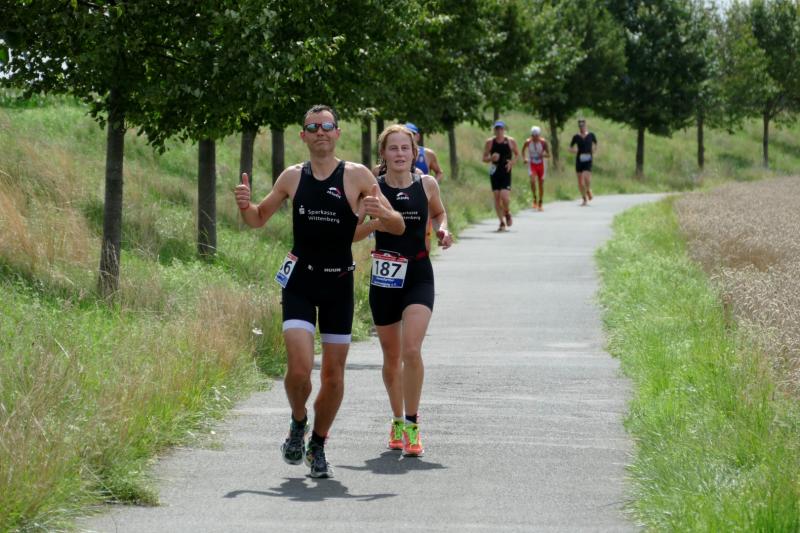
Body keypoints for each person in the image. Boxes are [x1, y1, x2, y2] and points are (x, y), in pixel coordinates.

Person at [234, 104, 404, 479]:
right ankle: (298, 421)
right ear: (304, 136)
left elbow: (398, 225)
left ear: (337, 133)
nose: (320, 132)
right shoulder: (293, 177)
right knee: (298, 370)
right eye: (313, 127)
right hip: (300, 282)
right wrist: (245, 205)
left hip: (338, 285)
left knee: (333, 376)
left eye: (327, 126)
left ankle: (318, 444)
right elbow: (257, 219)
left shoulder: (358, 176)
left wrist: (382, 214)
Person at [354, 124, 453, 457]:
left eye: (405, 148)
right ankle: (396, 419)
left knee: (411, 350)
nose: (399, 153)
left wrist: (443, 230)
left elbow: (439, 213)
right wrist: (376, 220)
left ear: (415, 153)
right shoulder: (373, 188)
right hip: (385, 278)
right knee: (391, 357)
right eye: (393, 148)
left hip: (419, 274)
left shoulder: (427, 184)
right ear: (383, 153)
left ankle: (412, 423)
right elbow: (352, 232)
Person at [482, 120, 519, 231]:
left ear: (504, 130)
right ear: (494, 130)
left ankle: (507, 212)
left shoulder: (510, 141)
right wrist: (491, 158)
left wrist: (512, 163)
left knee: (505, 197)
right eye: (497, 129)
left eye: (501, 129)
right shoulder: (490, 142)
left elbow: (517, 154)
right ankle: (501, 223)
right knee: (497, 197)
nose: (499, 131)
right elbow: (484, 158)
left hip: (506, 171)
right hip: (495, 172)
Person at [569, 118, 598, 206]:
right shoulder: (576, 136)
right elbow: (570, 147)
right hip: (579, 160)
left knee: (586, 178)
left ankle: (588, 190)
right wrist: (575, 151)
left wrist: (594, 150)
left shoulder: (591, 135)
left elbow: (596, 144)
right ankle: (584, 199)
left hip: (588, 159)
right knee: (580, 182)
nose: (581, 127)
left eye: (583, 125)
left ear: (585, 125)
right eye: (580, 126)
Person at [522, 126, 550, 211]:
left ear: (539, 135)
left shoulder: (543, 142)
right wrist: (525, 158)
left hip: (542, 164)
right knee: (533, 181)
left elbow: (548, 154)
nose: (535, 138)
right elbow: (523, 151)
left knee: (541, 184)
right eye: (533, 136)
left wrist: (543, 155)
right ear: (531, 135)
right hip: (532, 164)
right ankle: (534, 198)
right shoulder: (527, 142)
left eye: (536, 136)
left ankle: (540, 202)